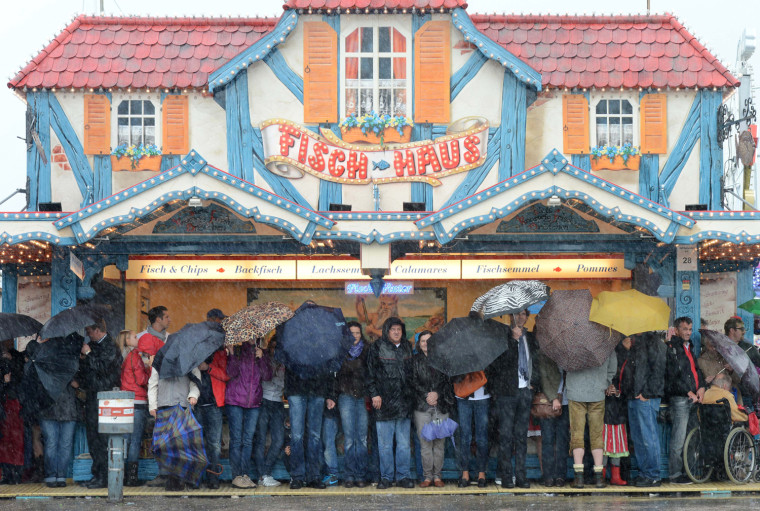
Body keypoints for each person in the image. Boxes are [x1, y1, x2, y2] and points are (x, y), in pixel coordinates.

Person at [487, 309, 539, 489]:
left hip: (525, 392)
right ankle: (507, 476)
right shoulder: (503, 337)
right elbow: (497, 365)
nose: (520, 317)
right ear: (510, 316)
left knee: (521, 438)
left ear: (527, 317)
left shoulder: (531, 337)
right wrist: (512, 341)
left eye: (524, 314)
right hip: (506, 394)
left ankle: (521, 476)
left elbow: (536, 362)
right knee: (506, 437)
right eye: (517, 314)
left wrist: (534, 384)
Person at [365, 317, 415, 490]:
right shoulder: (377, 347)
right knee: (384, 445)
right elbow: (370, 374)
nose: (396, 332)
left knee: (403, 444)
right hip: (383, 402)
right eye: (393, 329)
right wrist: (375, 394)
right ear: (387, 331)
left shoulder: (408, 347)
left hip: (404, 402)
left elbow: (412, 374)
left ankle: (403, 477)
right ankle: (385, 477)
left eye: (399, 329)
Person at [148, 338, 201, 491]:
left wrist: (193, 395)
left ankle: (179, 478)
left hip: (182, 405)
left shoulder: (189, 361)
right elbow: (153, 384)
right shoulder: (159, 362)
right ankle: (173, 478)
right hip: (164, 406)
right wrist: (153, 405)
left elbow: (196, 381)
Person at [79, 316, 123, 489]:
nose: (88, 335)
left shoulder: (110, 346)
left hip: (104, 398)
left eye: (89, 332)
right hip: (92, 397)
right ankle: (97, 474)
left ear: (97, 330)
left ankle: (104, 476)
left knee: (102, 439)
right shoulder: (96, 346)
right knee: (93, 438)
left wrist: (89, 354)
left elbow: (103, 369)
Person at [566, 350, 617, 489]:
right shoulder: (604, 342)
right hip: (597, 392)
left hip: (575, 391)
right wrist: (605, 382)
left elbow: (562, 366)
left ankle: (579, 478)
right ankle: (599, 478)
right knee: (596, 435)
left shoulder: (571, 343)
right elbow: (613, 367)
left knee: (577, 435)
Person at [225, 339, 272, 489]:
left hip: (254, 402)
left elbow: (267, 376)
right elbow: (231, 372)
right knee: (237, 440)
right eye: (251, 335)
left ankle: (245, 475)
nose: (253, 337)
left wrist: (262, 357)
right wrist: (232, 354)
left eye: (256, 335)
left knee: (248, 440)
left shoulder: (260, 352)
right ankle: (236, 476)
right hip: (235, 400)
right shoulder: (238, 350)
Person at [665, 316, 705, 485]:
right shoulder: (673, 348)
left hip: (694, 398)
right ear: (676, 329)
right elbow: (672, 377)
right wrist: (689, 391)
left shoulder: (690, 347)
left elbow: (696, 371)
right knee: (679, 439)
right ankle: (675, 475)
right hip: (681, 399)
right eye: (684, 329)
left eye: (690, 329)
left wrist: (701, 387)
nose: (688, 332)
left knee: (692, 438)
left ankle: (688, 471)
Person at [38, 335, 82, 488]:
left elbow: (77, 384)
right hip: (61, 408)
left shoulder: (44, 362)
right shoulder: (66, 362)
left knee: (56, 444)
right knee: (62, 444)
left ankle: (55, 476)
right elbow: (76, 385)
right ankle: (57, 476)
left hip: (55, 408)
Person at [284, 364, 337, 489]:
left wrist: (330, 394)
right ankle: (297, 477)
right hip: (296, 388)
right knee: (297, 435)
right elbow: (288, 362)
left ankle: (313, 476)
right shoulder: (294, 344)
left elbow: (327, 366)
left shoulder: (321, 344)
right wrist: (288, 390)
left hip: (317, 389)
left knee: (314, 436)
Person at [411, 330, 452, 488]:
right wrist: (426, 395)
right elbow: (412, 382)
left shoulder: (443, 360)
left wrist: (437, 394)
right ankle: (427, 476)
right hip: (422, 406)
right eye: (423, 341)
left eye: (429, 340)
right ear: (419, 344)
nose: (426, 344)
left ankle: (437, 476)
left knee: (439, 443)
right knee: (425, 443)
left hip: (440, 406)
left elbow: (448, 382)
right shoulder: (414, 360)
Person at [626, 331, 666, 488]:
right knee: (639, 438)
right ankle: (645, 474)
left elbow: (658, 371)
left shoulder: (654, 342)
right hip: (634, 396)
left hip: (645, 397)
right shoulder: (636, 343)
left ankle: (653, 475)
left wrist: (646, 393)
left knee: (648, 437)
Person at [336, 322, 369, 488]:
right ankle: (349, 475)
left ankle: (361, 475)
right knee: (349, 438)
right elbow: (334, 376)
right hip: (346, 396)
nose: (355, 335)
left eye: (357, 332)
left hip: (363, 397)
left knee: (362, 438)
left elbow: (371, 374)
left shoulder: (368, 350)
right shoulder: (340, 351)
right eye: (352, 333)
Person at [119, 329, 151, 487]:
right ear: (127, 341)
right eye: (133, 336)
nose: (136, 338)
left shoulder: (125, 357)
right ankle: (132, 477)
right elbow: (142, 380)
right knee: (135, 441)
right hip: (137, 401)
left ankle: (123, 475)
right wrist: (150, 369)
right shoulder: (136, 356)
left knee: (126, 440)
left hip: (126, 402)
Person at [254, 337, 286, 488]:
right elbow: (264, 377)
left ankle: (265, 472)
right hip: (264, 401)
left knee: (278, 440)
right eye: (272, 347)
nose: (275, 350)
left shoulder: (285, 363)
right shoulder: (263, 358)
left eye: (277, 347)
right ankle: (262, 475)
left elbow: (284, 383)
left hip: (278, 402)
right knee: (260, 440)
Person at [537, 351, 569, 487]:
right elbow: (544, 378)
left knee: (563, 441)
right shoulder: (545, 355)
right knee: (548, 440)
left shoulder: (571, 357)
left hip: (567, 402)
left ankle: (560, 476)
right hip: (549, 403)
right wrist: (554, 398)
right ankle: (548, 476)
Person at [603, 338, 631, 486]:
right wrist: (606, 387)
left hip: (620, 407)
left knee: (617, 443)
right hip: (606, 406)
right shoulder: (608, 354)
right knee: (605, 442)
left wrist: (619, 391)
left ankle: (615, 475)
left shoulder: (631, 355)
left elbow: (629, 382)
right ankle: (600, 474)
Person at [0, 341, 25, 485]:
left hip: (12, 404)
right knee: (9, 441)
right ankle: (11, 473)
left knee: (12, 441)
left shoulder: (15, 359)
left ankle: (13, 473)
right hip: (8, 405)